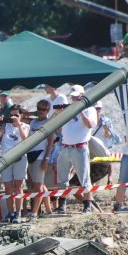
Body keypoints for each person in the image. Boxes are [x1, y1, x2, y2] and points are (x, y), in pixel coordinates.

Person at [55, 85, 97, 215]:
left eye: (76, 96)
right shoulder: (69, 109)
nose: (74, 99)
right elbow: (59, 128)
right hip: (66, 147)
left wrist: (81, 111)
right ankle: (62, 205)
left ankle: (87, 206)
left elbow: (90, 125)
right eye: (73, 97)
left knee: (84, 178)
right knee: (62, 179)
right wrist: (61, 113)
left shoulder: (90, 109)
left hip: (80, 147)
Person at [0, 105, 29, 222]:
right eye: (12, 115)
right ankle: (10, 212)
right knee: (7, 188)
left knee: (18, 187)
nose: (13, 117)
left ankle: (18, 213)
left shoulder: (25, 126)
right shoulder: (6, 125)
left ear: (21, 115)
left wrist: (18, 125)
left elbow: (25, 138)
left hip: (20, 158)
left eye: (16, 115)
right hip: (6, 158)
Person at [26, 100, 55, 220]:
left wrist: (46, 159)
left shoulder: (49, 123)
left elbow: (51, 142)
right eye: (39, 108)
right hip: (31, 154)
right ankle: (48, 210)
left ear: (48, 111)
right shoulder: (33, 122)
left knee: (38, 186)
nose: (41, 111)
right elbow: (23, 115)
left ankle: (34, 212)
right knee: (40, 184)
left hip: (41, 155)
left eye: (44, 109)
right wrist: (33, 113)